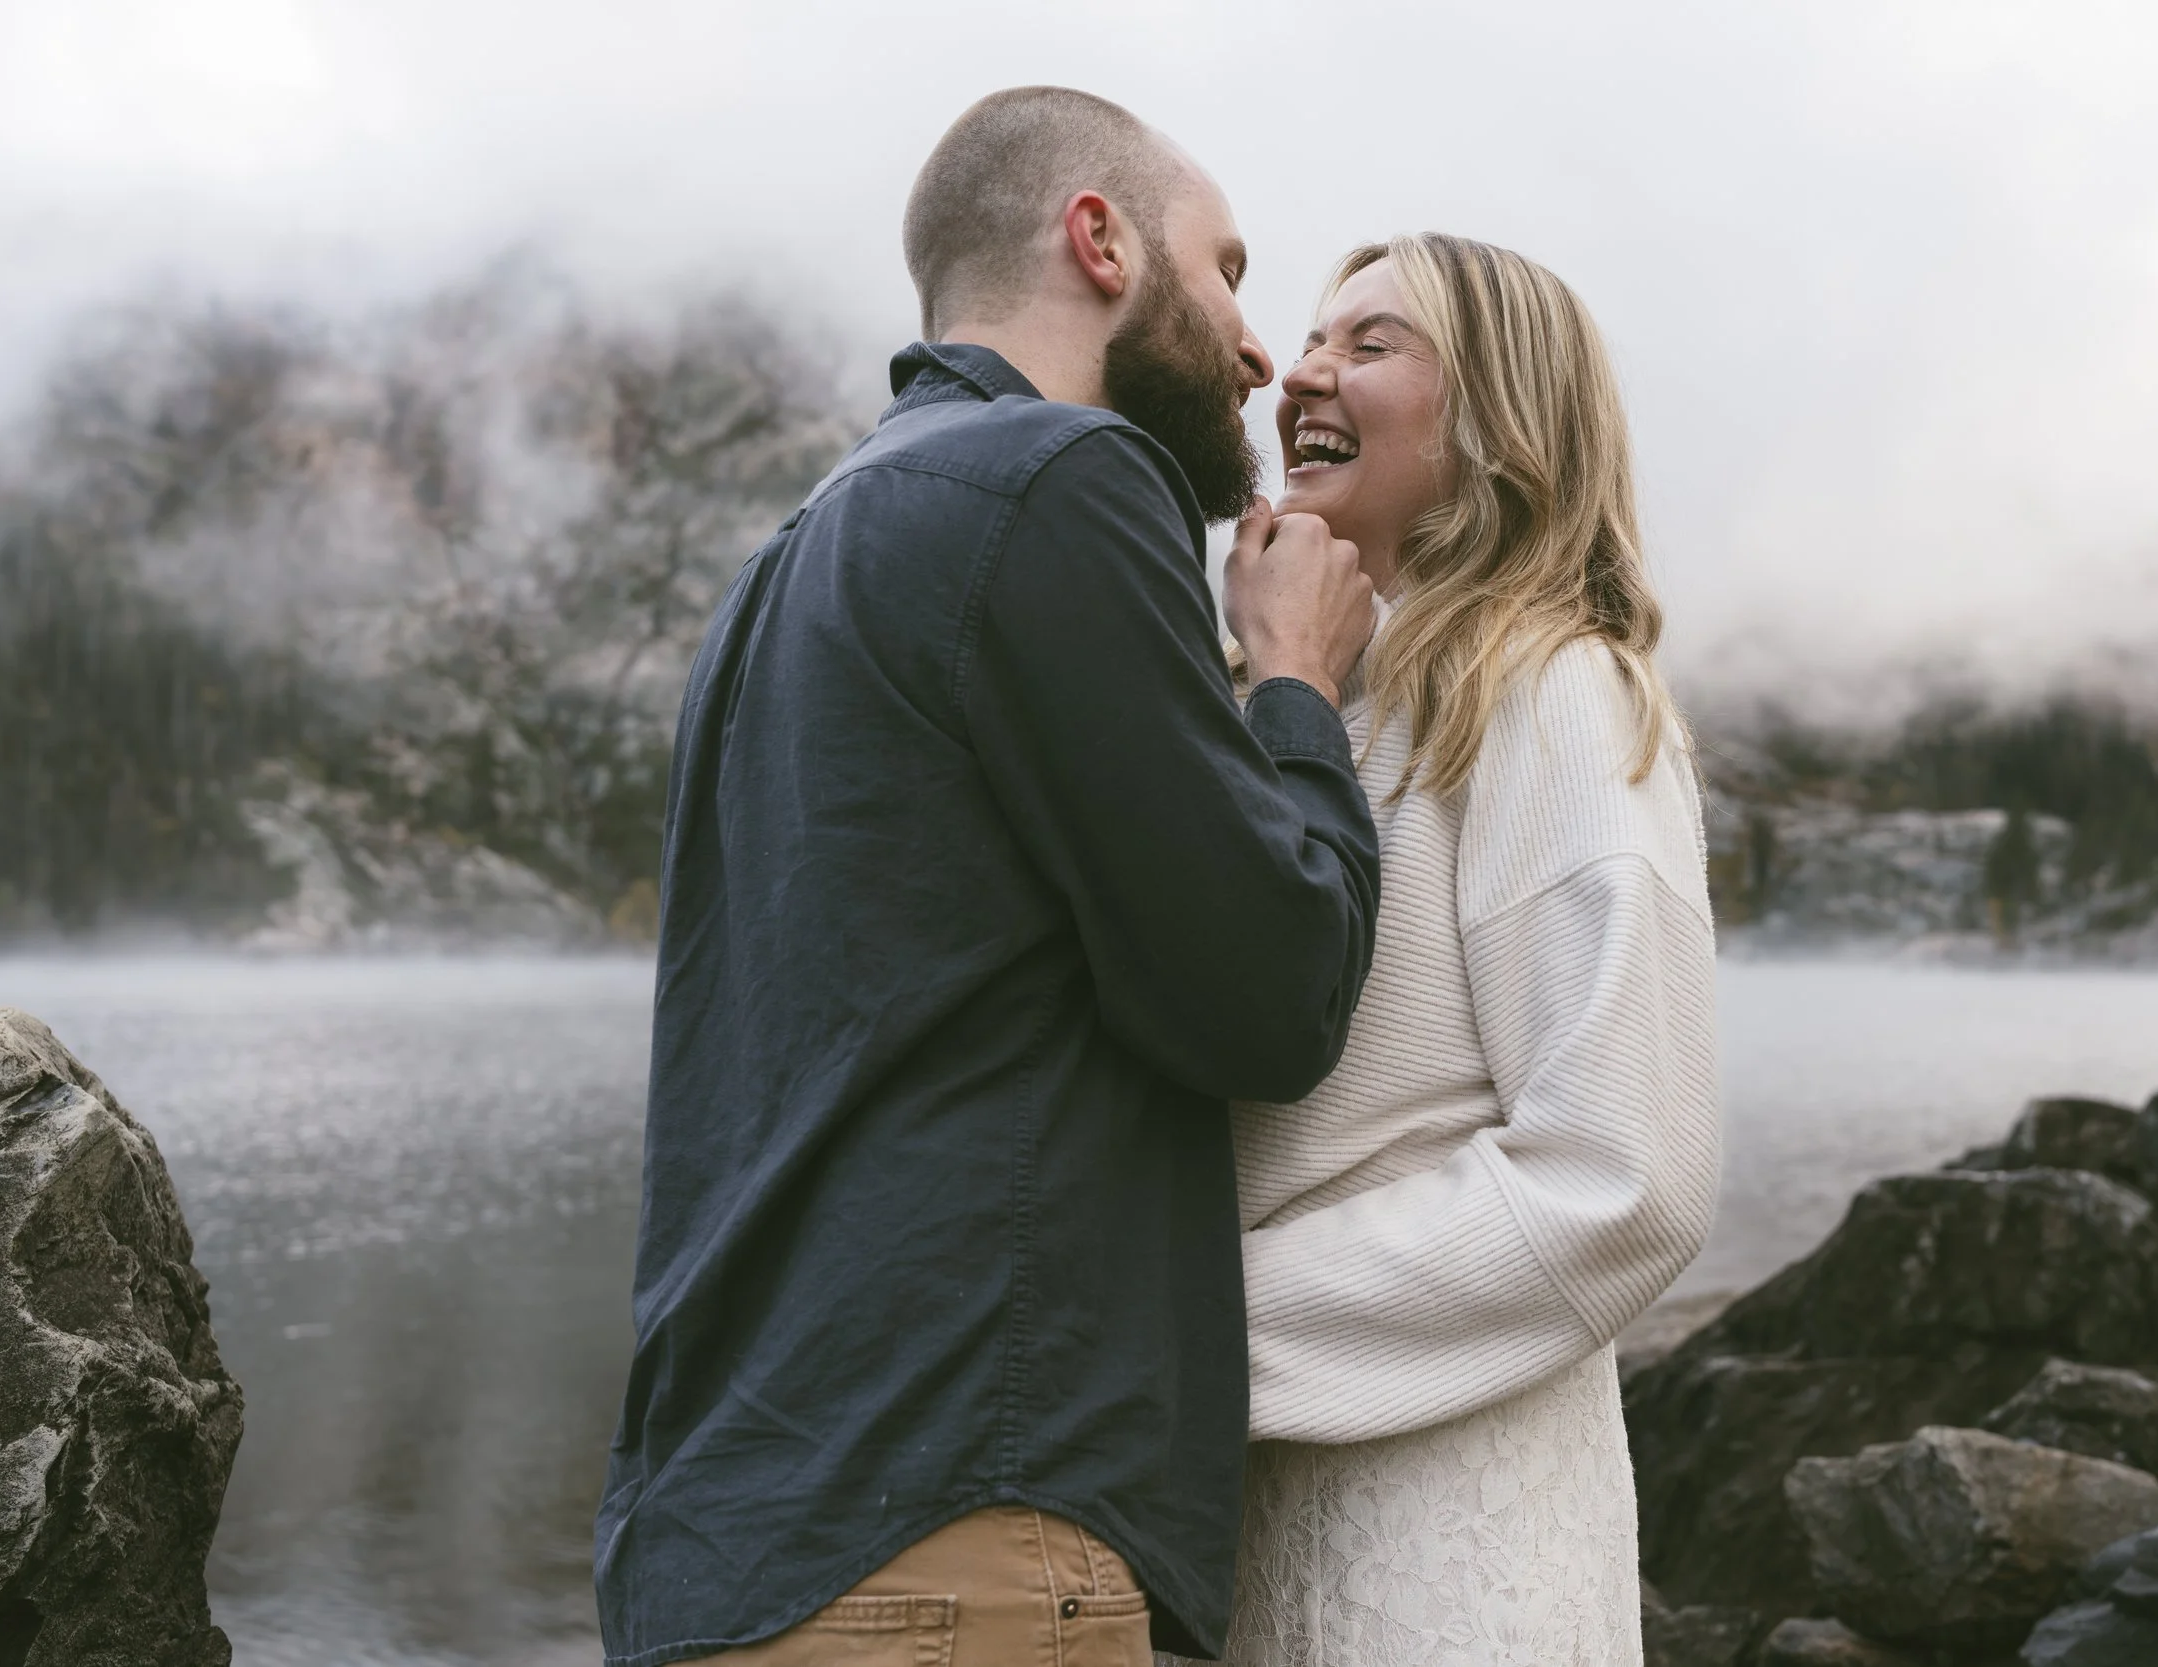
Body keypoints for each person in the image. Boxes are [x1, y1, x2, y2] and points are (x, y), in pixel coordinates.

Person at [592, 88, 1383, 1667]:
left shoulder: (785, 566)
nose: (1252, 348)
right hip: (958, 1536)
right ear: (1098, 239)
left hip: (720, 1547)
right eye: (1226, 270)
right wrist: (1294, 684)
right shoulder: (1057, 480)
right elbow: (1269, 991)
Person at [1199, 234, 1724, 1666]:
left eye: (1370, 345)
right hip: (1237, 1515)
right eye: (1312, 337)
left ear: (1499, 418)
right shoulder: (1305, 706)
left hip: (1446, 1553)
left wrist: (1188, 1331)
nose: (1301, 369)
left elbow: (1623, 1175)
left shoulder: (1555, 690)